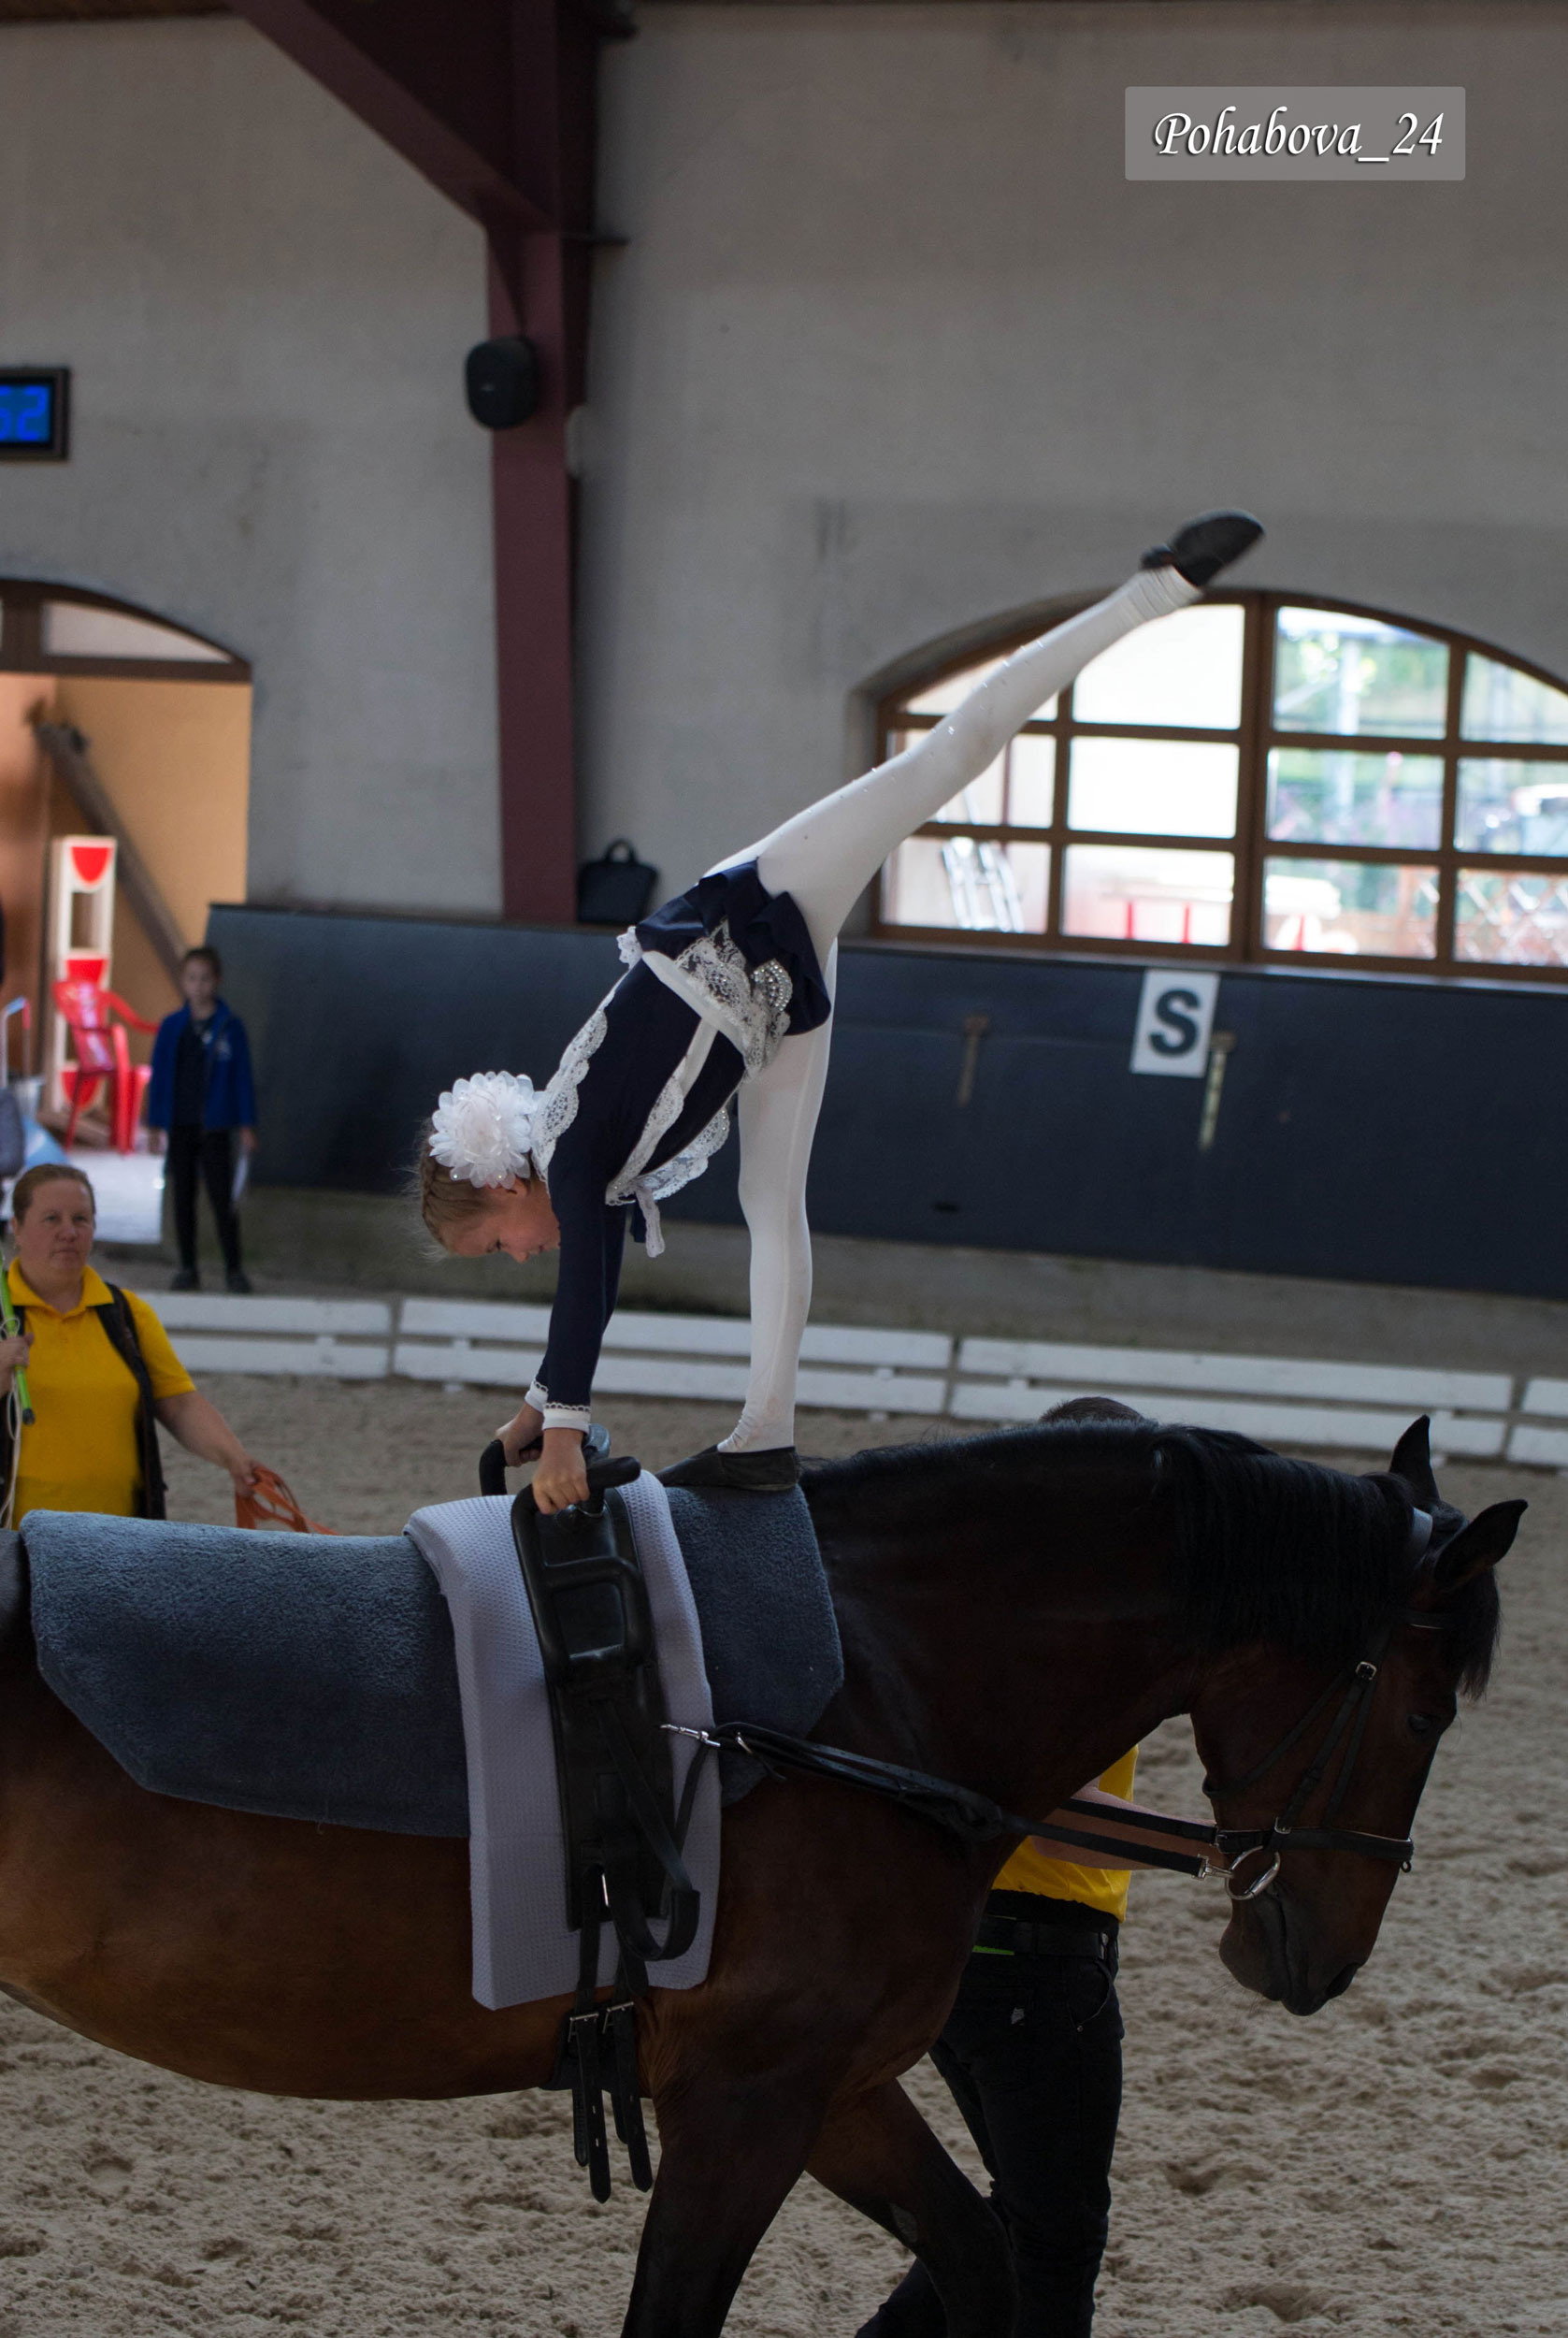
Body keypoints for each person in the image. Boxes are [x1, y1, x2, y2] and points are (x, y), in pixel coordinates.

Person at [413, 512, 1264, 1510]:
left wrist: (562, 1428)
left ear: (502, 1184)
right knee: (772, 1203)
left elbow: (581, 1284)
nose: (521, 1255)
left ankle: (1149, 591)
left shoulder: (566, 1149)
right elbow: (589, 1288)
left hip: (744, 916)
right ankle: (765, 1433)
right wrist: (541, 1405)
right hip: (763, 1012)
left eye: (497, 1243)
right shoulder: (577, 1171)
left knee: (944, 757)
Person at [858, 1751, 1142, 2338]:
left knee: (1026, 2210)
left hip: (959, 1948)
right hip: (1038, 1962)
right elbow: (1061, 1820)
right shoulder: (1068, 1681)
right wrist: (1222, 1845)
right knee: (1059, 2237)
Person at [0, 1162, 262, 1524]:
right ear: (17, 1228)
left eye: (81, 1219)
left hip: (119, 1535)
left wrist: (234, 1459)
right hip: (16, 1538)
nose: (69, 1232)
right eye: (51, 1219)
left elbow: (178, 1404)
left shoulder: (127, 1314)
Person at [145, 945, 257, 1294]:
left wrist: (247, 1123)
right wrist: (154, 1123)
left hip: (215, 1126)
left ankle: (234, 1269)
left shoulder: (230, 1027)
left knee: (223, 1199)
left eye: (205, 978)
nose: (198, 985)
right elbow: (160, 1076)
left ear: (217, 980)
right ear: (183, 982)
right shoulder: (171, 1027)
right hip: (181, 1124)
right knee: (183, 1198)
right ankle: (187, 1267)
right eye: (192, 978)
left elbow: (242, 1078)